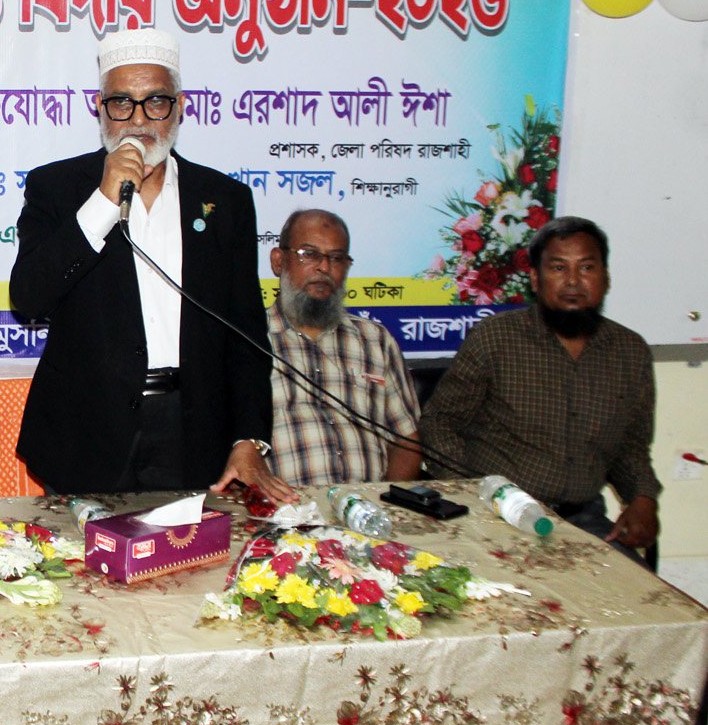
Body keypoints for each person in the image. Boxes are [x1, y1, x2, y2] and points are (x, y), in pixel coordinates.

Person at [9, 27, 291, 500]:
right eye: (121, 102)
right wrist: (103, 201)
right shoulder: (56, 188)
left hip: (195, 433)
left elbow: (245, 335)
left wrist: (248, 439)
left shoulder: (225, 200)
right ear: (100, 109)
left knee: (192, 550)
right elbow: (29, 297)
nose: (138, 120)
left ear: (180, 107)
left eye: (155, 102)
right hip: (86, 434)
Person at [421, 216, 660, 560]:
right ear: (535, 278)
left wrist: (643, 499)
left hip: (583, 520)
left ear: (606, 278)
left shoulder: (630, 352)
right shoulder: (496, 338)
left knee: (635, 590)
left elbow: (631, 447)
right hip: (497, 516)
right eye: (559, 268)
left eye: (587, 268)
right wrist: (474, 491)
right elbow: (440, 423)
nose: (573, 281)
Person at [266, 209, 422, 487]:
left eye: (337, 258)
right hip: (285, 506)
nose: (324, 268)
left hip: (369, 505)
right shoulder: (248, 340)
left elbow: (407, 441)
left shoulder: (375, 340)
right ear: (279, 261)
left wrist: (386, 501)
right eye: (309, 254)